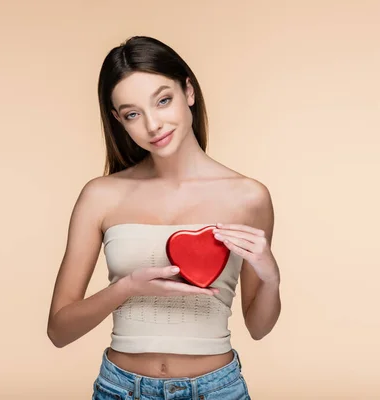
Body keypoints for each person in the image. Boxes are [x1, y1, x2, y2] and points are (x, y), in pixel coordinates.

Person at [46, 35, 281, 400]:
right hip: (120, 389)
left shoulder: (248, 196)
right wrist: (127, 287)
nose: (153, 125)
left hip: (216, 390)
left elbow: (259, 327)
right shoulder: (100, 196)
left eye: (163, 100)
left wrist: (270, 277)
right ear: (118, 120)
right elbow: (59, 331)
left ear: (188, 91)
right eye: (133, 114)